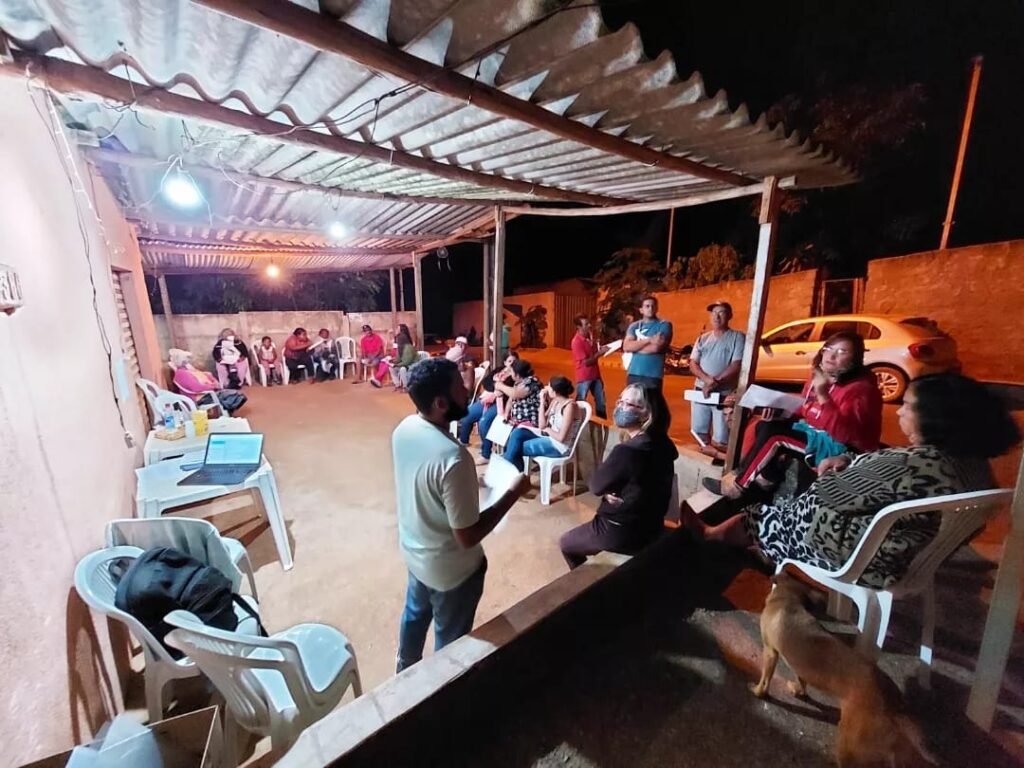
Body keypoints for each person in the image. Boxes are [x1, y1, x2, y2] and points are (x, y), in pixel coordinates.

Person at [684, 374, 1020, 588]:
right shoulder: (972, 465)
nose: (899, 412)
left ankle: (714, 537)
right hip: (911, 559)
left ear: (934, 418)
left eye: (907, 406)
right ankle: (767, 550)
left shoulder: (909, 464)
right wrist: (851, 460)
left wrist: (838, 468)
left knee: (760, 514)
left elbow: (829, 492)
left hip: (863, 559)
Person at [392, 357, 531, 671]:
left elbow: (425, 485)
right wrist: (512, 493)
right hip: (451, 572)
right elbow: (467, 536)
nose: (468, 389)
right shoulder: (454, 458)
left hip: (415, 554)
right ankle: (441, 686)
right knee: (450, 645)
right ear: (441, 404)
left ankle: (404, 670)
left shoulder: (404, 429)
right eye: (459, 386)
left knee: (414, 617)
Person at [705, 331, 883, 499]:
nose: (831, 355)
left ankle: (737, 486)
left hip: (844, 448)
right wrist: (779, 411)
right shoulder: (820, 376)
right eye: (828, 349)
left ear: (855, 359)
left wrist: (823, 395)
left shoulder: (861, 389)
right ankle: (766, 478)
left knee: (775, 434)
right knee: (765, 425)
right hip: (817, 433)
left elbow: (843, 435)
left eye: (842, 352)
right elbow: (805, 408)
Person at [559, 385, 678, 568]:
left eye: (627, 404)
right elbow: (641, 482)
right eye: (620, 401)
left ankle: (588, 581)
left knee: (566, 544)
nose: (620, 407)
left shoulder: (627, 451)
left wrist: (611, 489)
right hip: (652, 523)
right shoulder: (663, 443)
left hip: (620, 529)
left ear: (647, 414)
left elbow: (596, 485)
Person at [689, 301, 745, 452]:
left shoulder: (738, 337)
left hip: (724, 394)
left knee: (722, 438)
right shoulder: (703, 338)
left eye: (721, 313)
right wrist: (707, 380)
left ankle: (720, 460)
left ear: (730, 316)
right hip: (701, 391)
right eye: (714, 313)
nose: (716, 316)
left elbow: (736, 364)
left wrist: (715, 383)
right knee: (698, 433)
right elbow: (693, 363)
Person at [503, 376, 583, 472]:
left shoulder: (570, 407)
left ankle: (516, 475)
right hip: (549, 438)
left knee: (515, 448)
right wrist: (542, 401)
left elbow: (561, 438)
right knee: (517, 433)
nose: (546, 388)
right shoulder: (555, 402)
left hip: (560, 447)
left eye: (549, 386)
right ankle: (518, 474)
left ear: (555, 392)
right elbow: (542, 425)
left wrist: (547, 429)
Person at [457, 352, 519, 459]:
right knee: (466, 414)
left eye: (514, 361)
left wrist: (500, 390)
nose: (512, 363)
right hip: (489, 399)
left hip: (502, 404)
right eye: (509, 361)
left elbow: (510, 392)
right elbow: (486, 382)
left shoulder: (517, 375)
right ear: (505, 362)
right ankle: (463, 441)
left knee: (484, 423)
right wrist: (495, 387)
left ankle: (486, 453)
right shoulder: (499, 370)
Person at [622, 296, 672, 390]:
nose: (650, 308)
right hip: (634, 373)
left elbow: (656, 348)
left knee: (651, 399)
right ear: (641, 310)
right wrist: (649, 340)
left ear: (657, 308)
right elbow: (626, 346)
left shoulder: (664, 325)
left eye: (653, 306)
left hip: (653, 375)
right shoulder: (634, 326)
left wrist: (635, 347)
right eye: (647, 306)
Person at [571, 315, 608, 419]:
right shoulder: (576, 342)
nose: (589, 325)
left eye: (589, 323)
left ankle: (602, 424)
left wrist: (601, 349)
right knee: (580, 402)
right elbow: (586, 362)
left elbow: (594, 353)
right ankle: (577, 422)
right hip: (584, 376)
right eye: (586, 324)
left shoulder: (590, 336)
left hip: (595, 374)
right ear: (579, 326)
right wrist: (599, 354)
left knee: (601, 402)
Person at [494, 359, 543, 428]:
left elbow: (515, 394)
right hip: (517, 422)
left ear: (517, 375)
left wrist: (500, 385)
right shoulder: (518, 383)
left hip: (529, 422)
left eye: (511, 371)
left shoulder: (531, 381)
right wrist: (506, 414)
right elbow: (511, 399)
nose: (510, 374)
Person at [385, 324, 418, 391]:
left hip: (412, 365)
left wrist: (397, 365)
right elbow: (399, 359)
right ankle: (397, 385)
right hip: (404, 364)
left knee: (402, 369)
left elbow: (407, 362)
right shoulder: (400, 347)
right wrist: (392, 361)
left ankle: (406, 387)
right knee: (391, 368)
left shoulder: (408, 348)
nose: (397, 341)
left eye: (398, 340)